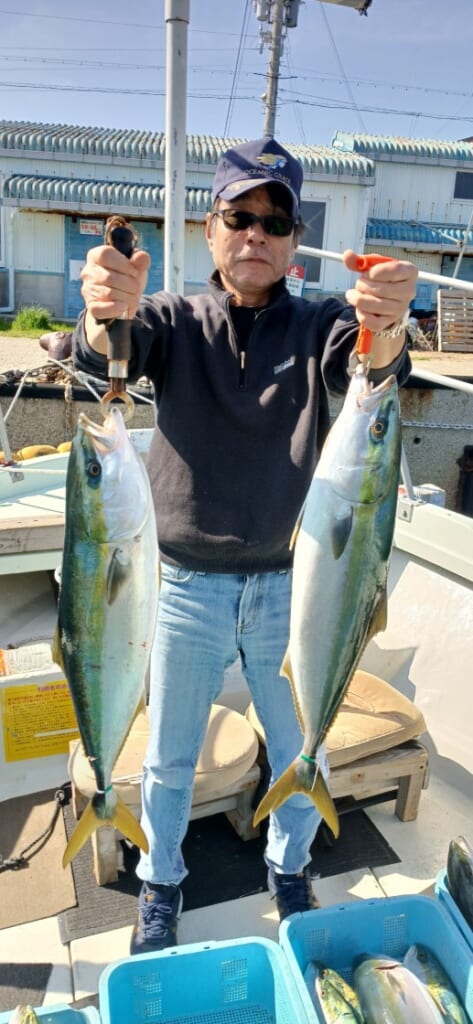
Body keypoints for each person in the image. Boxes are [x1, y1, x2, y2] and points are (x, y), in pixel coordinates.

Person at [72, 136, 417, 955]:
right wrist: (102, 308)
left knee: (301, 748)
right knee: (168, 756)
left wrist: (388, 322)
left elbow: (372, 366)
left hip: (292, 588)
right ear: (210, 229)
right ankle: (161, 882)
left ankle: (288, 869)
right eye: (239, 217)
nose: (256, 233)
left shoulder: (321, 323)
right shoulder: (170, 318)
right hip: (181, 587)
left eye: (275, 220)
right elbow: (105, 349)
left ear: (295, 240)